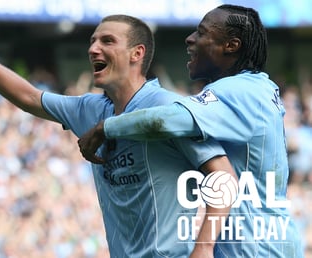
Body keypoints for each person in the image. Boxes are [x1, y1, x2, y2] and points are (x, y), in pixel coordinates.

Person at [0, 14, 236, 257]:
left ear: (136, 53)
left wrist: (204, 247)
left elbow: (224, 177)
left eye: (107, 41)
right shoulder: (90, 109)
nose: (93, 48)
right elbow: (29, 97)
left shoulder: (167, 107)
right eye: (93, 41)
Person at [77, 4, 304, 258]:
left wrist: (106, 128)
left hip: (255, 249)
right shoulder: (256, 89)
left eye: (202, 33)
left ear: (232, 45)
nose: (190, 38)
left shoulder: (239, 90)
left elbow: (171, 118)